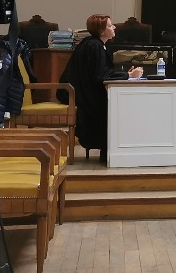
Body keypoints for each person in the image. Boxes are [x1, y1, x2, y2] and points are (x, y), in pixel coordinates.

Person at [60, 14, 143, 163]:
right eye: (110, 25)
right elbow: (100, 76)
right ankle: (110, 151)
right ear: (101, 30)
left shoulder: (94, 44)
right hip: (82, 95)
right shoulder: (94, 46)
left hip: (83, 91)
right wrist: (128, 75)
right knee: (112, 107)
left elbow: (102, 72)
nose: (114, 27)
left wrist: (125, 74)